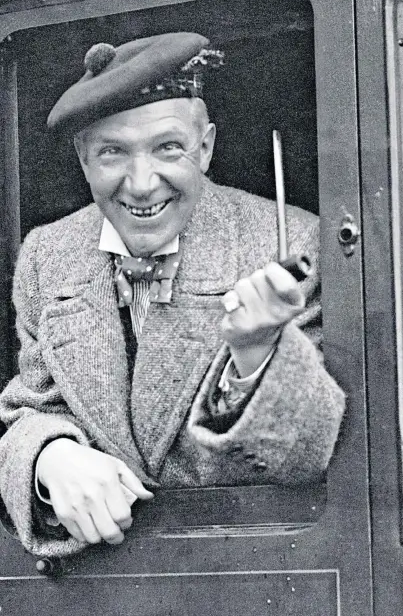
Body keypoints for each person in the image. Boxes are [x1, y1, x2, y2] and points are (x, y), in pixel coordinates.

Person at [0, 32, 345, 557]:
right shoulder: (47, 255)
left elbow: (308, 457)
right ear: (82, 159)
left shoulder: (292, 244)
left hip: (255, 575)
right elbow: (33, 406)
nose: (141, 184)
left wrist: (255, 355)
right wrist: (50, 456)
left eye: (167, 148)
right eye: (112, 152)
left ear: (204, 147)